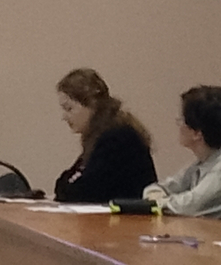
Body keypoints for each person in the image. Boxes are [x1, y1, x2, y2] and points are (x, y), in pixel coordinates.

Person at [54, 68, 157, 203]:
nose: (64, 117)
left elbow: (83, 190)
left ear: (92, 105)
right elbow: (68, 181)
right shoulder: (100, 136)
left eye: (69, 108)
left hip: (130, 216)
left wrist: (65, 187)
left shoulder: (117, 138)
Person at [142, 85, 221, 218]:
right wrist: (156, 198)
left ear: (197, 133)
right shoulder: (199, 164)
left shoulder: (218, 170)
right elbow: (160, 188)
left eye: (182, 121)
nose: (179, 125)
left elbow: (190, 206)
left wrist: (158, 202)